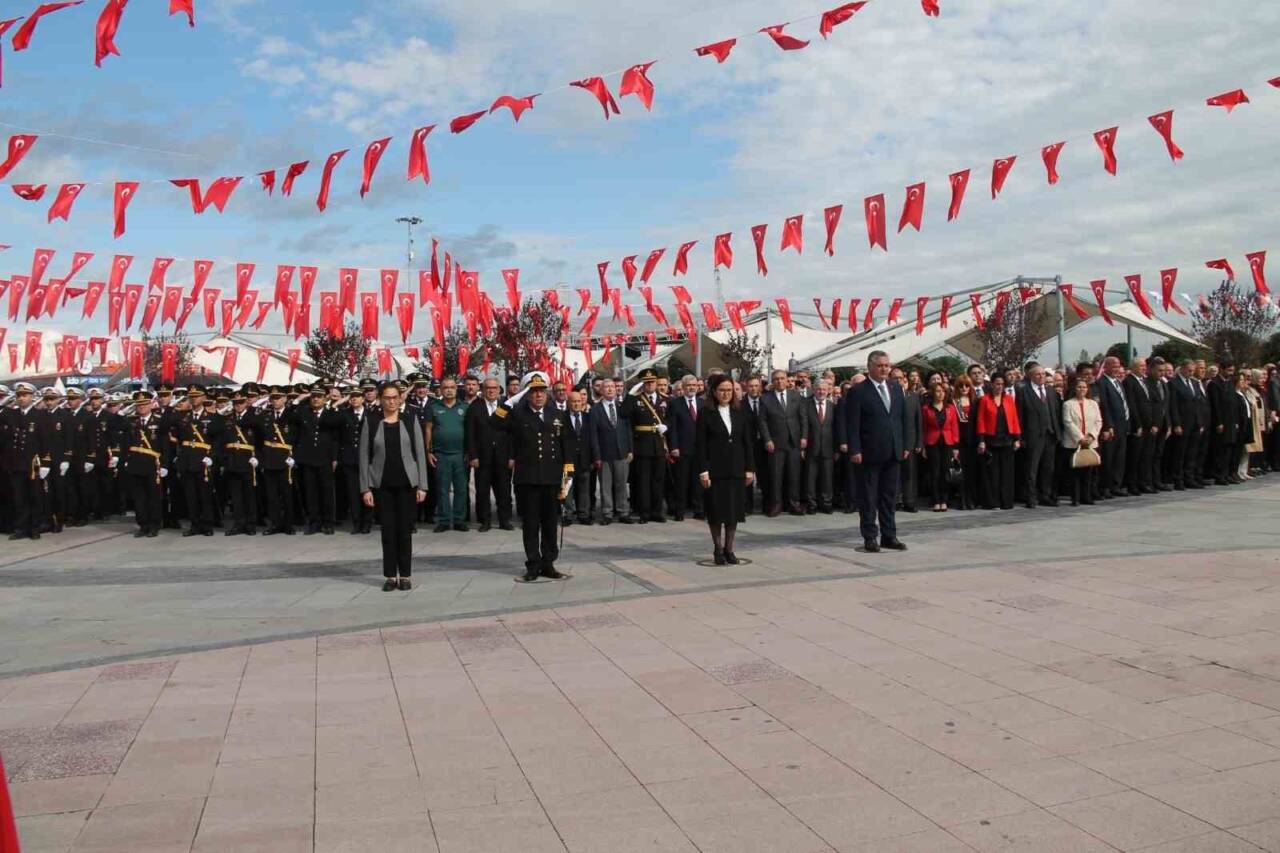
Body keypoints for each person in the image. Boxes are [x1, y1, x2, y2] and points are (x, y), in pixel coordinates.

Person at [490, 374, 574, 581]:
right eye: (534, 391)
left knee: (549, 522)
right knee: (530, 524)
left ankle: (548, 563)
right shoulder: (518, 414)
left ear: (547, 393)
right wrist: (510, 401)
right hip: (527, 479)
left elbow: (568, 444)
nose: (538, 395)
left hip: (552, 478)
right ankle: (533, 565)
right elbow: (493, 423)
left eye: (541, 391)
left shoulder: (558, 414)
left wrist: (568, 474)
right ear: (527, 395)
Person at [360, 382, 429, 591]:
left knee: (405, 531)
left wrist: (422, 486)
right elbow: (363, 455)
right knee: (387, 531)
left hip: (407, 484)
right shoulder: (371, 422)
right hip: (382, 484)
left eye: (394, 397)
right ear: (381, 399)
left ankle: (405, 575)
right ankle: (390, 575)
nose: (391, 401)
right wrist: (365, 488)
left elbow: (420, 453)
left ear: (400, 399)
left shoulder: (410, 420)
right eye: (387, 398)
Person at [844, 351, 909, 552]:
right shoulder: (858, 391)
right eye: (880, 365)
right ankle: (870, 536)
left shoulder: (896, 388)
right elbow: (852, 423)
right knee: (869, 498)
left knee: (889, 497)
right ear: (870, 367)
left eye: (887, 365)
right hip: (869, 452)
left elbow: (903, 419)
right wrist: (855, 449)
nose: (884, 369)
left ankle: (889, 535)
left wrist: (906, 445)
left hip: (893, 451)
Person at [696, 374, 755, 565]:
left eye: (729, 390)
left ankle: (730, 549)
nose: (726, 393)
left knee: (733, 512)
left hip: (736, 469)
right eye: (722, 390)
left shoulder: (740, 411)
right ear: (714, 391)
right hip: (715, 470)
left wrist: (750, 469)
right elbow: (701, 444)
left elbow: (748, 442)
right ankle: (718, 549)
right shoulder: (706, 413)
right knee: (716, 511)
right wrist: (703, 470)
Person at [619, 368, 669, 524]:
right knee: (643, 481)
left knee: (658, 480)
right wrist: (631, 394)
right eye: (646, 383)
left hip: (659, 445)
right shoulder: (636, 400)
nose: (650, 385)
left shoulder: (664, 400)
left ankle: (657, 511)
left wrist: (667, 426)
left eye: (652, 382)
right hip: (642, 445)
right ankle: (644, 512)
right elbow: (623, 413)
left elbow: (673, 418)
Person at [465, 377, 514, 532]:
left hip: (503, 457)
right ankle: (484, 520)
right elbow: (470, 434)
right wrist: (473, 456)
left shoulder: (506, 407)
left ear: (499, 389)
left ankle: (504, 520)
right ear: (483, 390)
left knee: (504, 491)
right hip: (482, 458)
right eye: (488, 388)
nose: (491, 390)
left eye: (494, 388)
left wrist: (512, 456)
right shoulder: (475, 407)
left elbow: (512, 434)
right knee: (482, 491)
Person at [1, 383, 48, 540]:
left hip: (33, 464)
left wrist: (45, 463)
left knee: (34, 496)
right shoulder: (11, 415)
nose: (22, 398)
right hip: (15, 463)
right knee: (19, 498)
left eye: (25, 395)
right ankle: (21, 528)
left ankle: (34, 528)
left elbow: (46, 441)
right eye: (19, 395)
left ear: (32, 397)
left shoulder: (40, 415)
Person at [121, 390, 170, 538]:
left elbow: (165, 445)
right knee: (139, 497)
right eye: (138, 405)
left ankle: (154, 525)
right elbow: (125, 443)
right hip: (135, 464)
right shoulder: (131, 422)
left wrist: (165, 465)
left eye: (144, 404)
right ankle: (143, 524)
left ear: (151, 404)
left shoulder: (159, 421)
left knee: (153, 497)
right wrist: (125, 460)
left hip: (152, 464)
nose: (141, 407)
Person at [761, 369, 808, 516]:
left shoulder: (796, 396)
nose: (779, 381)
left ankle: (794, 504)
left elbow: (803, 418)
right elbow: (762, 421)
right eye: (776, 379)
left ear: (787, 380)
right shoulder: (765, 398)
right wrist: (767, 439)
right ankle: (776, 505)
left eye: (782, 378)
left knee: (794, 475)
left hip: (794, 442)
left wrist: (804, 437)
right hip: (775, 443)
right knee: (776, 475)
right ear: (772, 382)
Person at [426, 377, 469, 532]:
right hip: (441, 455)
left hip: (460, 454)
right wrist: (428, 451)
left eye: (452, 387)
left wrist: (469, 451)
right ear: (441, 389)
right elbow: (428, 429)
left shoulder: (464, 407)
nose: (449, 390)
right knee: (442, 489)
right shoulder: (433, 407)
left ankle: (459, 520)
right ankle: (444, 520)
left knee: (461, 489)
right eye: (446, 387)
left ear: (456, 389)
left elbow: (470, 431)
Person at [588, 377, 632, 525]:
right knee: (605, 486)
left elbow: (628, 430)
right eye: (606, 387)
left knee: (621, 484)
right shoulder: (595, 410)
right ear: (601, 390)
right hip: (604, 454)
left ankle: (623, 512)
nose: (610, 389)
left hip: (622, 452)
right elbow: (593, 435)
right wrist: (597, 456)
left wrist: (630, 450)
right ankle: (607, 513)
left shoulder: (622, 407)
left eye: (612, 387)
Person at [1016, 362, 1061, 508]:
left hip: (1050, 435)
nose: (1041, 377)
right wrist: (1020, 437)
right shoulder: (1023, 392)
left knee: (1048, 468)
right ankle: (1030, 497)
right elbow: (1020, 416)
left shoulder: (1051, 391)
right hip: (1033, 436)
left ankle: (1045, 495)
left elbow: (1056, 412)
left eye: (1043, 374)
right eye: (1038, 374)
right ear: (1031, 376)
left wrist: (1057, 432)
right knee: (1031, 469)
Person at [976, 375, 1021, 510]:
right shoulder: (984, 400)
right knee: (993, 474)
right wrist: (981, 441)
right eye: (997, 384)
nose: (999, 386)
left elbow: (1014, 419)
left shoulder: (1008, 399)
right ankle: (993, 502)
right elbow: (980, 420)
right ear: (992, 385)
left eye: (1002, 384)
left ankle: (1006, 502)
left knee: (1007, 473)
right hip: (991, 440)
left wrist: (1017, 438)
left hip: (1007, 440)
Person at [221, 387, 261, 536]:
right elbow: (223, 441)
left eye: (241, 402)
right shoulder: (228, 418)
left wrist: (258, 457)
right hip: (232, 460)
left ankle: (251, 524)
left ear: (246, 402)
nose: (238, 405)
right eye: (235, 402)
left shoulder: (254, 417)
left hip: (248, 460)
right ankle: (239, 523)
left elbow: (261, 439)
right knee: (236, 496)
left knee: (249, 494)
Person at [666, 375, 702, 521]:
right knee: (681, 482)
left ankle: (698, 509)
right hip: (682, 449)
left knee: (697, 481)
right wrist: (674, 446)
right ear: (683, 387)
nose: (692, 388)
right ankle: (679, 511)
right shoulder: (675, 404)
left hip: (699, 449)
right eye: (688, 385)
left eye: (694, 385)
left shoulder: (703, 403)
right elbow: (672, 427)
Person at [337, 387, 373, 534]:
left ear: (363, 398)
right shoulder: (343, 414)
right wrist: (338, 403)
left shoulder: (371, 414)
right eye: (352, 396)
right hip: (350, 458)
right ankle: (357, 523)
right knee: (353, 492)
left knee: (367, 491)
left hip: (368, 458)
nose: (354, 399)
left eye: (358, 396)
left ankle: (367, 523)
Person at [1062, 377, 1103, 505]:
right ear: (1074, 388)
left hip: (1091, 442)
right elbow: (1067, 422)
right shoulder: (1068, 404)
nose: (1082, 389)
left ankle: (1087, 496)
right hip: (1074, 442)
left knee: (1088, 472)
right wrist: (1080, 438)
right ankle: (1076, 498)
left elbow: (1098, 421)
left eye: (1084, 387)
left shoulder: (1093, 403)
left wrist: (1091, 436)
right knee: (1075, 472)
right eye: (1079, 387)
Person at [920, 382, 959, 511]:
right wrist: (924, 446)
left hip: (947, 442)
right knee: (934, 473)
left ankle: (944, 500)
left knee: (945, 472)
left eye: (942, 391)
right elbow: (924, 428)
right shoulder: (926, 409)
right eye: (937, 391)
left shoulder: (950, 408)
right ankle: (936, 500)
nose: (940, 393)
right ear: (933, 393)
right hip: (932, 443)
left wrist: (955, 446)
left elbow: (954, 427)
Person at [562, 390, 597, 525]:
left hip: (585, 460)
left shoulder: (588, 418)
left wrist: (594, 458)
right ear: (568, 403)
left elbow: (593, 439)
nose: (576, 404)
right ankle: (568, 515)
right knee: (567, 489)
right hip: (568, 460)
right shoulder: (561, 418)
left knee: (584, 489)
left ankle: (584, 514)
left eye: (578, 401)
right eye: (573, 401)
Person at [803, 379, 837, 513]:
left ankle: (826, 503)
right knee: (810, 478)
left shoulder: (832, 406)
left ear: (828, 391)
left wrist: (836, 448)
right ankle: (811, 504)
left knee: (827, 478)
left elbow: (835, 428)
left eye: (824, 389)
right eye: (818, 389)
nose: (821, 392)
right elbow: (803, 425)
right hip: (811, 447)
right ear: (814, 390)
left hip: (828, 448)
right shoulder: (806, 405)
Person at [1208, 360, 1239, 485]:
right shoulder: (1214, 384)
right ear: (1222, 369)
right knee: (1220, 450)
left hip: (1231, 421)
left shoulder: (1230, 383)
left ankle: (1226, 474)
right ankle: (1219, 474)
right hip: (1221, 422)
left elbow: (1234, 402)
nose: (1231, 373)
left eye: (1232, 371)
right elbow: (1215, 405)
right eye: (1229, 370)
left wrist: (1236, 420)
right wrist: (1219, 422)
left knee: (1229, 449)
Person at [952, 375, 980, 510]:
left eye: (967, 385)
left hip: (974, 441)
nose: (964, 388)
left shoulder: (975, 401)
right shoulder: (953, 402)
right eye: (961, 386)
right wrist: (955, 445)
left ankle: (972, 499)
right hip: (959, 441)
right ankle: (962, 499)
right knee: (961, 472)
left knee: (972, 472)